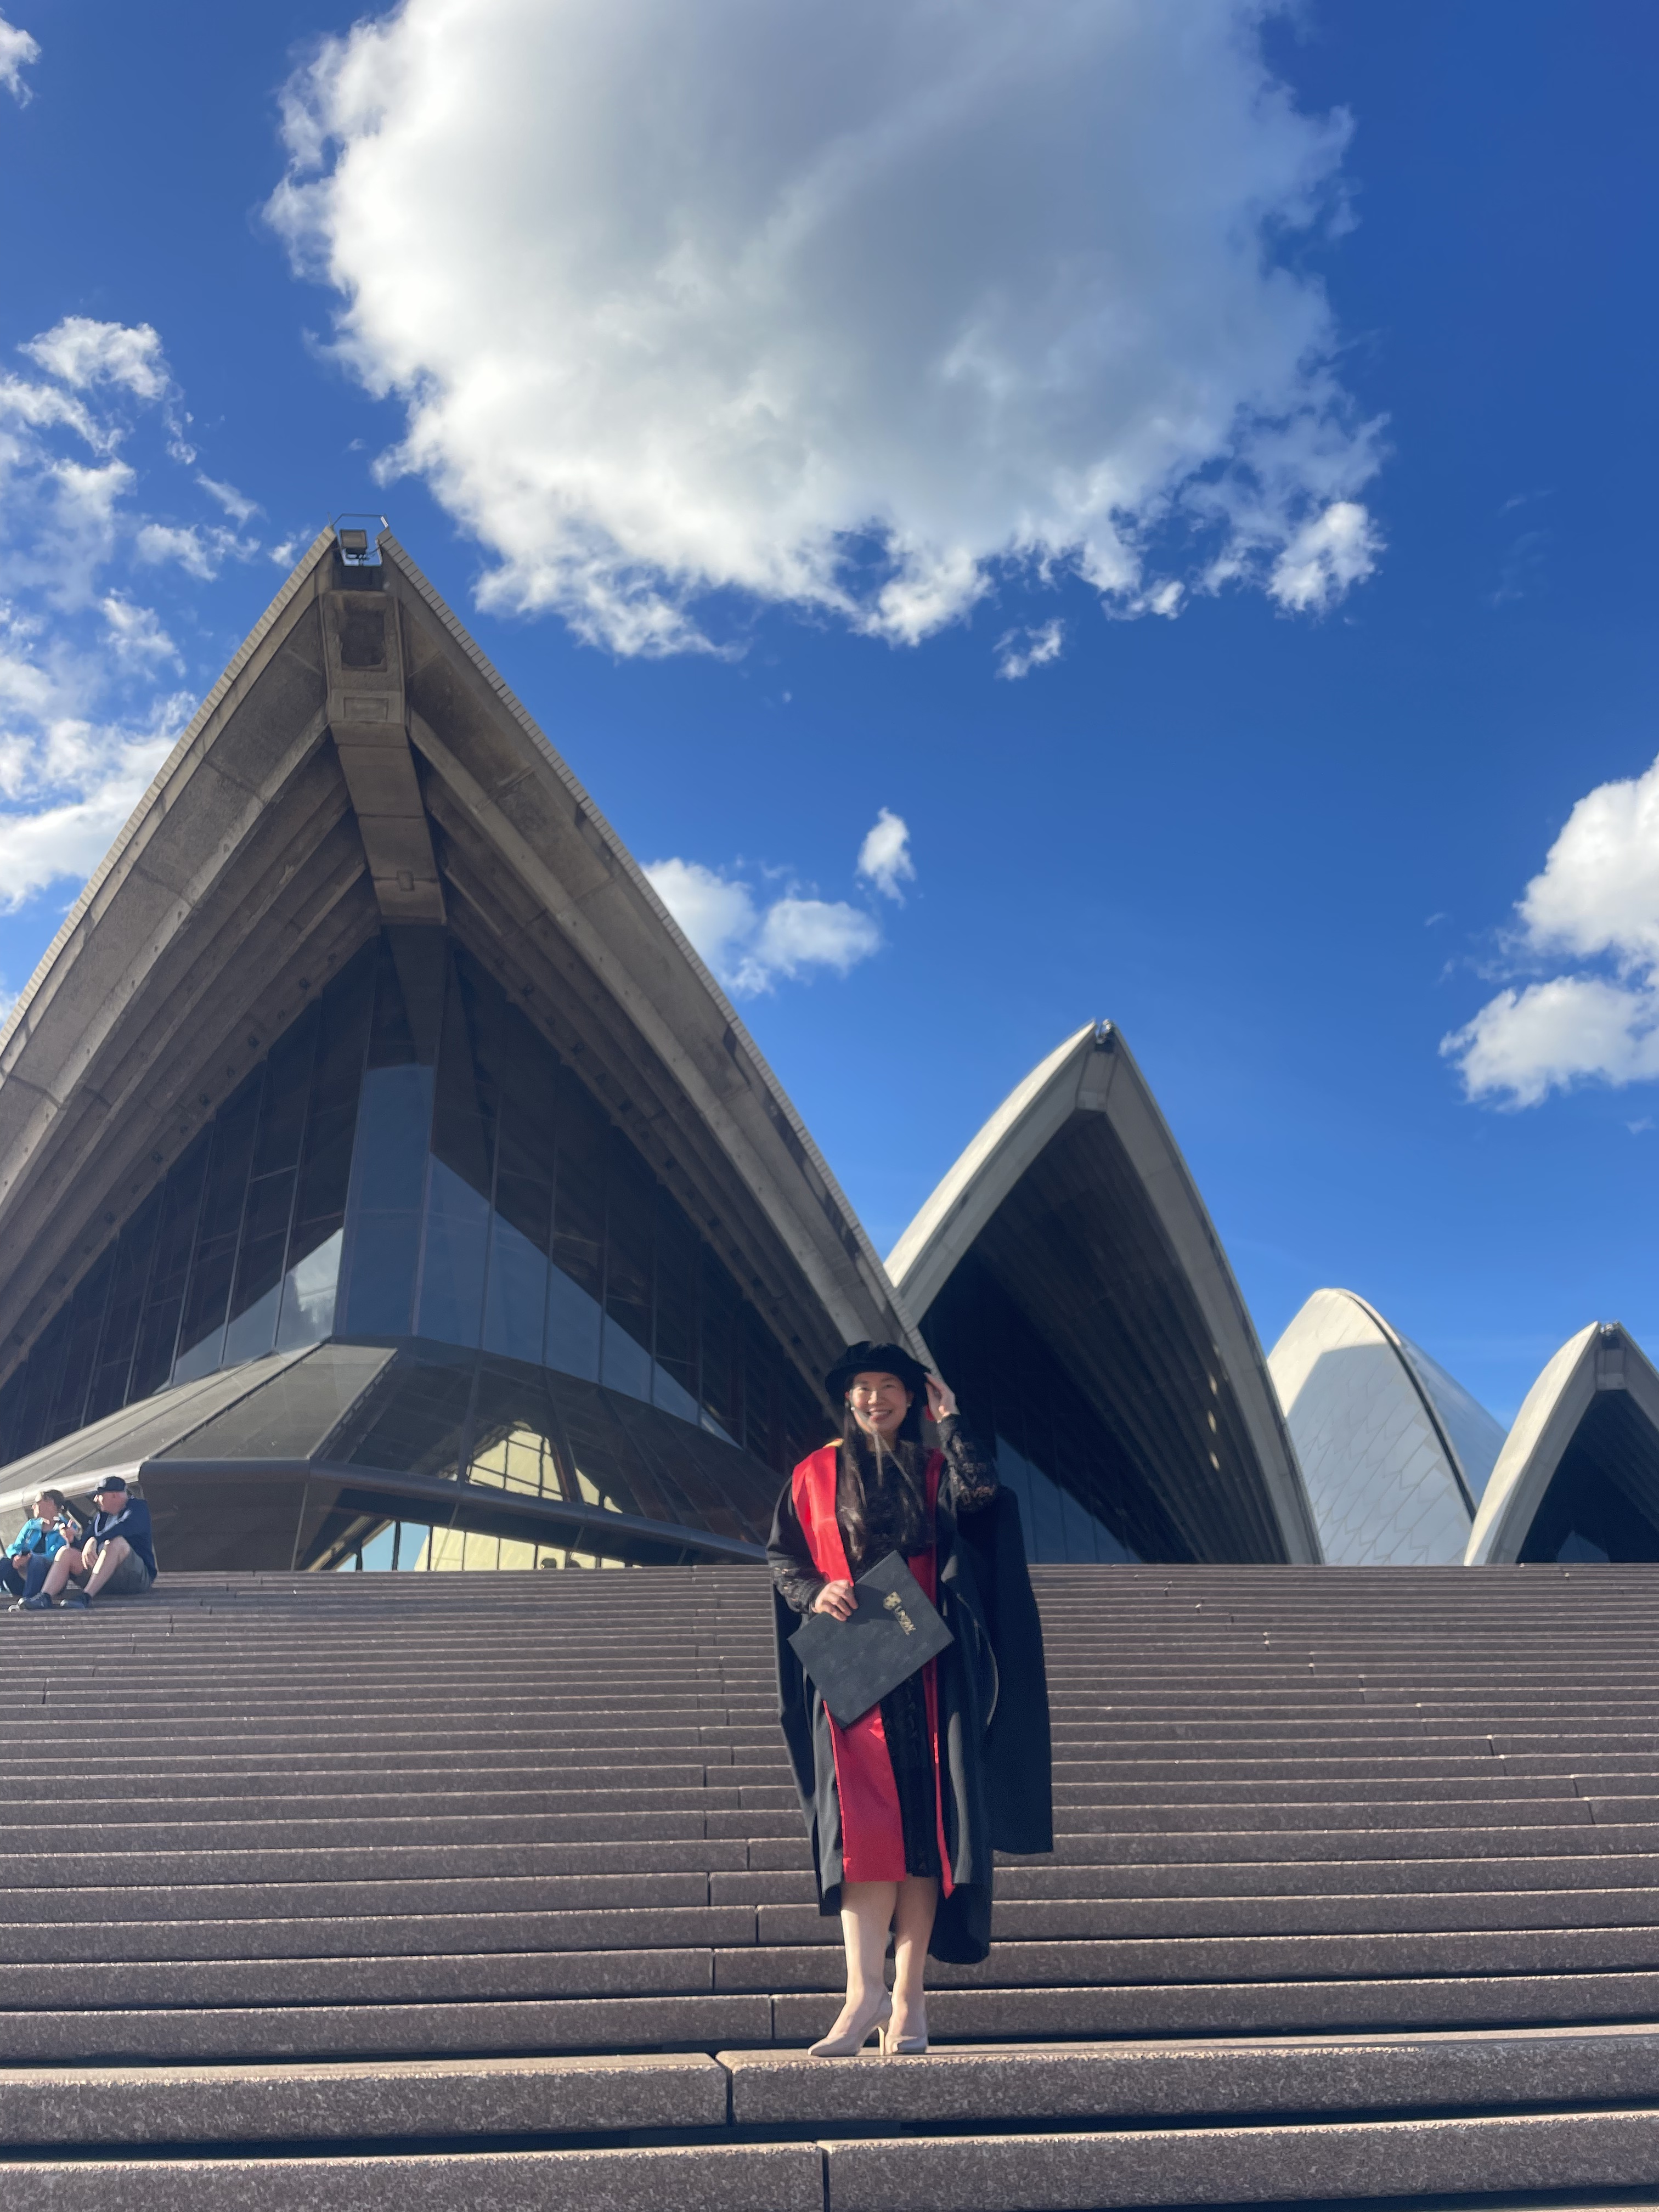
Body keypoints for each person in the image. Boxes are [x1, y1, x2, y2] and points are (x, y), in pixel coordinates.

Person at [769, 1340, 1052, 2058]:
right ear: (848, 1398)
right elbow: (784, 1557)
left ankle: (909, 1998)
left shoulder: (933, 1469)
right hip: (853, 1671)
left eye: (890, 1386)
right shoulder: (812, 1475)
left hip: (929, 1673)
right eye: (864, 1387)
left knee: (926, 1835)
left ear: (911, 1397)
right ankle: (861, 1993)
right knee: (862, 1837)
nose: (876, 1398)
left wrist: (952, 1422)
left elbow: (983, 1497)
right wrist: (815, 1591)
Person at [24, 1475, 157, 1610]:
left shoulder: (138, 1508)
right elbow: (85, 1547)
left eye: (100, 1495)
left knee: (115, 1543)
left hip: (136, 1579)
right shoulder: (101, 1517)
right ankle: (45, 1597)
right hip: (105, 1580)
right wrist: (72, 1540)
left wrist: (96, 1539)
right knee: (66, 1552)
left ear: (114, 1495)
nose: (95, 1499)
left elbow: (125, 1527)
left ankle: (85, 1597)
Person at [1, 1491, 82, 1605]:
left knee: (37, 1560)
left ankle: (29, 1600)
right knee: (4, 1561)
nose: (33, 1507)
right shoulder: (31, 1525)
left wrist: (29, 1559)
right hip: (24, 1577)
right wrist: (16, 1557)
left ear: (51, 1504)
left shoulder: (66, 1527)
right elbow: (15, 1546)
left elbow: (57, 1554)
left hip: (49, 1580)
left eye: (38, 1502)